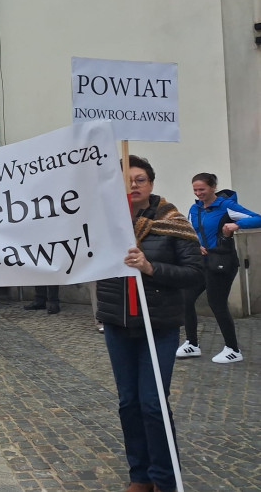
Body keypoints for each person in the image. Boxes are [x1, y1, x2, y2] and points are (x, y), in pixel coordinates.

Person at [96, 155, 202, 492]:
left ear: (151, 183)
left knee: (153, 403)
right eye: (126, 180)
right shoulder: (104, 221)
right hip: (118, 324)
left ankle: (164, 479)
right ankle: (140, 476)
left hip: (158, 325)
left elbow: (194, 273)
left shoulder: (171, 221)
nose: (133, 185)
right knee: (128, 403)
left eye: (139, 179)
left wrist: (150, 267)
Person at [179, 172, 261, 363]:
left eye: (202, 189)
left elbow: (257, 218)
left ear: (213, 187)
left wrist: (236, 225)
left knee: (216, 303)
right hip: (201, 262)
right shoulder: (195, 208)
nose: (198, 193)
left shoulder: (226, 206)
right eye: (195, 190)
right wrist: (195, 245)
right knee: (185, 298)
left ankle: (233, 349)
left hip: (222, 262)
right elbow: (191, 231)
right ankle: (192, 344)